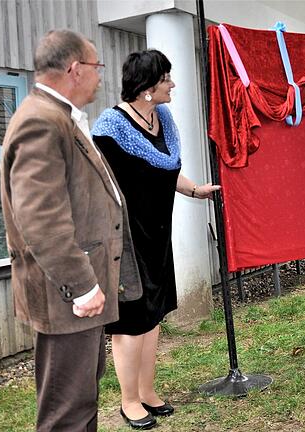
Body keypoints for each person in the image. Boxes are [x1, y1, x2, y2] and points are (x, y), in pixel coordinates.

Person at [0, 29, 142, 431]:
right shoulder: (41, 122)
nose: (101, 76)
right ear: (74, 69)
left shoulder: (57, 116)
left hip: (75, 293)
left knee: (80, 399)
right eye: (97, 67)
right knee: (68, 411)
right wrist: (81, 285)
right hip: (67, 295)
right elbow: (40, 218)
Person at [91, 49, 219, 429]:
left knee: (153, 315)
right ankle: (129, 401)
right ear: (147, 87)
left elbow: (167, 172)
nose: (173, 85)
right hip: (125, 239)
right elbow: (97, 188)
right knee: (131, 322)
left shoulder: (162, 117)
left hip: (157, 234)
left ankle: (146, 391)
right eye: (167, 79)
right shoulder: (109, 128)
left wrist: (195, 190)